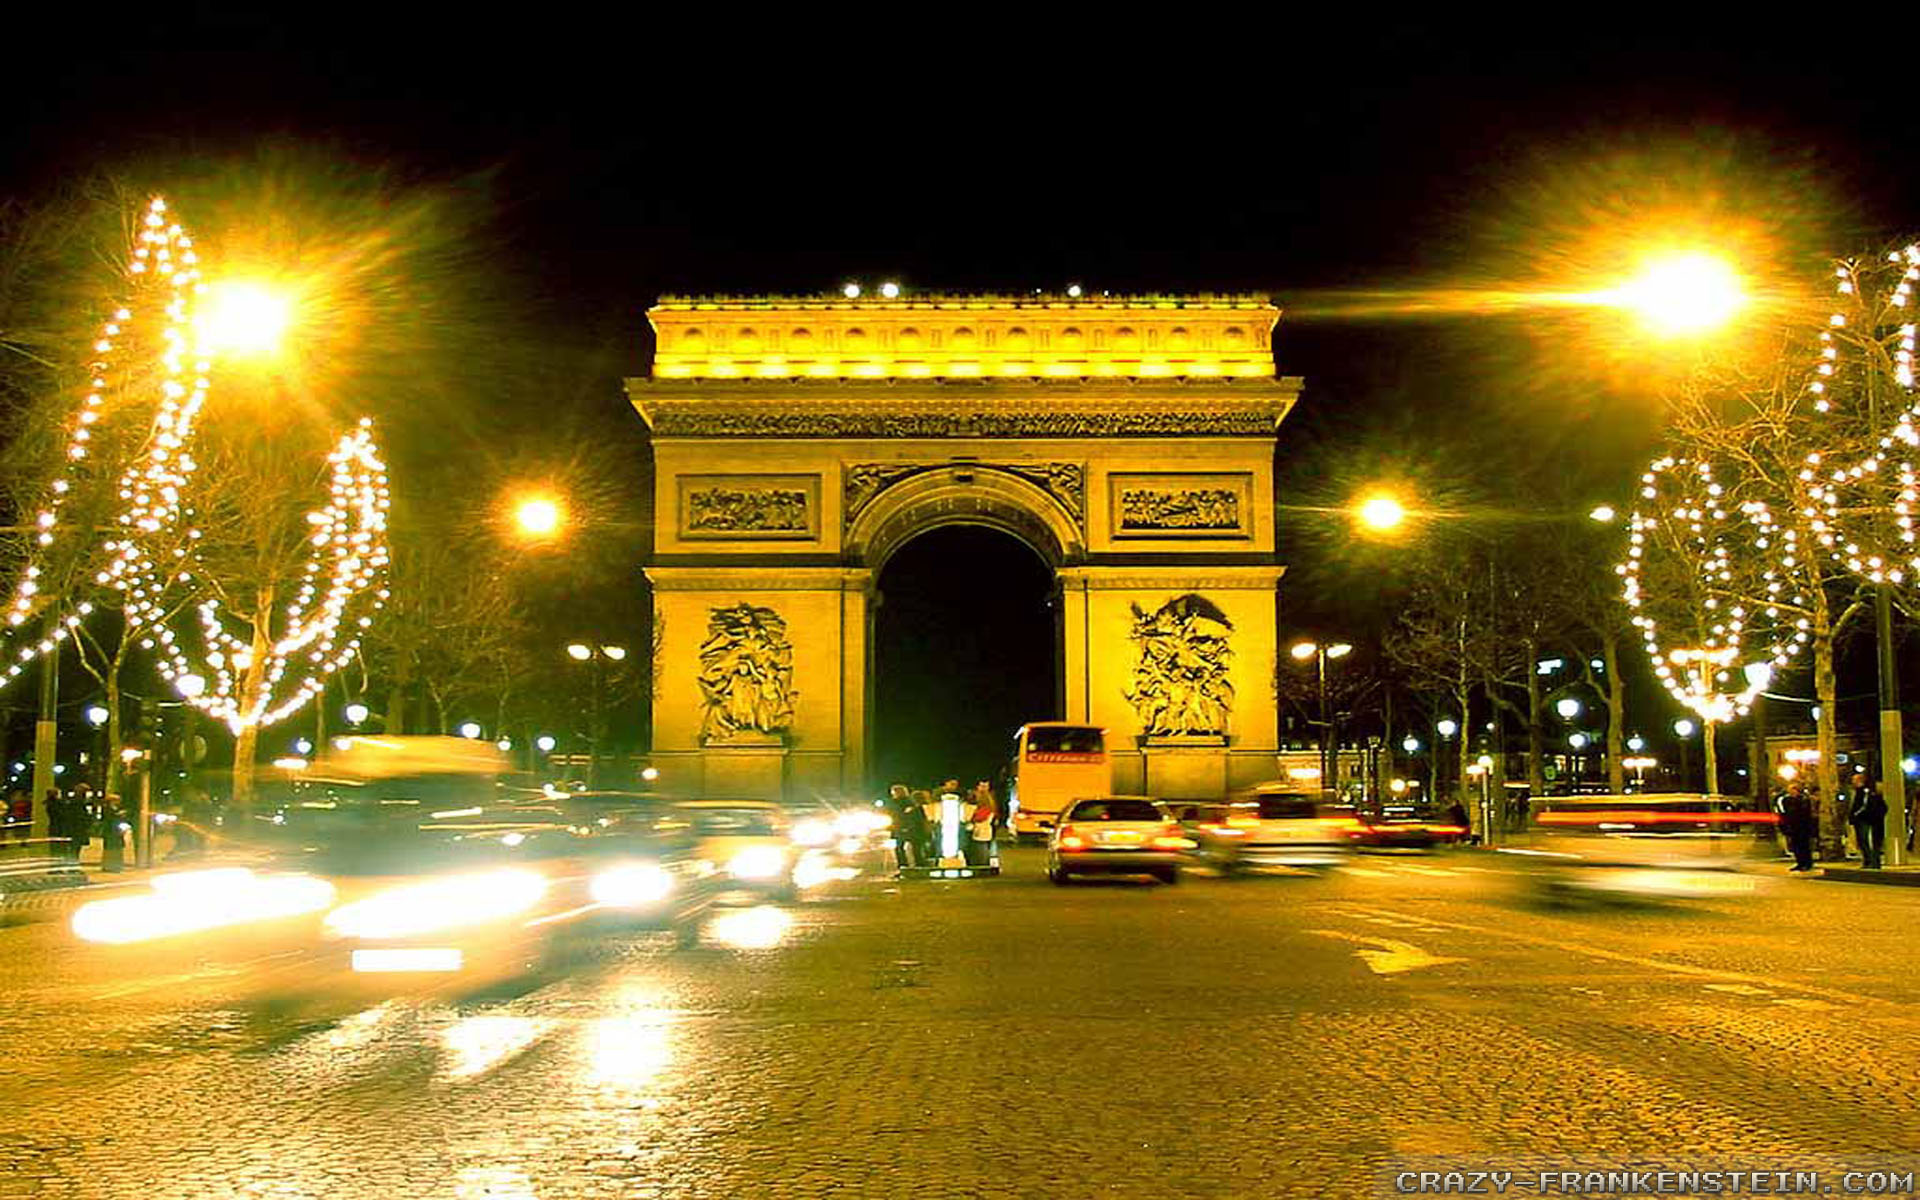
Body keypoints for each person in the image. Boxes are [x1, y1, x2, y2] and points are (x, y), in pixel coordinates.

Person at [1846, 768, 1888, 870]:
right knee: (1866, 841)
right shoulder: (1862, 792)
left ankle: (1871, 861)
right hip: (1867, 819)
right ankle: (1871, 861)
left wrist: (1855, 815)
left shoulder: (1864, 793)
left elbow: (1862, 806)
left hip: (1865, 819)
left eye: (1854, 780)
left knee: (1866, 841)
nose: (1853, 782)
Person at [1777, 778, 1816, 872]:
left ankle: (1807, 863)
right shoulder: (1786, 800)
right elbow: (1784, 812)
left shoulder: (1803, 800)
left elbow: (1805, 813)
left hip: (1802, 826)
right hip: (1793, 826)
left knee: (1804, 845)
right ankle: (1800, 862)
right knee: (1796, 846)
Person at [885, 784, 920, 871]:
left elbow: (910, 815)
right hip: (898, 827)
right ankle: (903, 865)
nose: (893, 794)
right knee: (900, 847)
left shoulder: (907, 802)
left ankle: (915, 865)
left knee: (913, 846)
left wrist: (907, 826)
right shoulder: (894, 802)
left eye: (894, 792)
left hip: (906, 827)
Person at [966, 780, 996, 867]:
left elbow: (980, 817)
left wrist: (971, 818)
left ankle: (982, 865)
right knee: (984, 847)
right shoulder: (990, 802)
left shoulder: (985, 805)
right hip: (985, 829)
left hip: (981, 830)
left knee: (981, 848)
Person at [99, 793, 128, 873]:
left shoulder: (115, 808)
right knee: (111, 848)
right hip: (110, 831)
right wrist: (118, 815)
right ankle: (110, 866)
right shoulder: (107, 809)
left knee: (117, 848)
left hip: (116, 831)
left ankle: (116, 865)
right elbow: (108, 819)